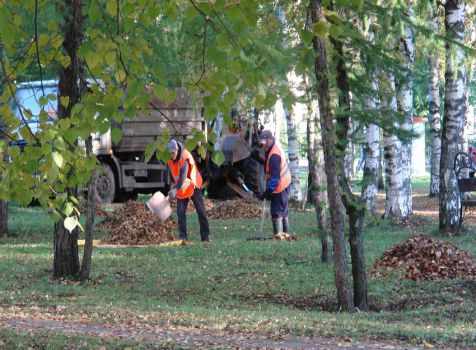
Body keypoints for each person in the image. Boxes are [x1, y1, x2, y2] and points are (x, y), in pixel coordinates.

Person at [167, 140, 210, 242]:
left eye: (173, 152)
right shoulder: (170, 160)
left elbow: (183, 176)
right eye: (170, 152)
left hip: (193, 185)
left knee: (201, 211)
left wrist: (176, 189)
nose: (172, 154)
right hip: (182, 188)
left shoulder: (185, 157)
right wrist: (171, 189)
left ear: (177, 150)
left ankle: (206, 236)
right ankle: (183, 236)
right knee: (180, 212)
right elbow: (173, 176)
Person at [258, 130, 291, 235]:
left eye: (264, 142)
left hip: (280, 186)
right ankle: (286, 234)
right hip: (286, 182)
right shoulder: (274, 148)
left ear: (270, 139)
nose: (263, 144)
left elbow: (274, 178)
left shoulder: (274, 156)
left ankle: (279, 235)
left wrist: (268, 192)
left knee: (277, 211)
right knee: (283, 210)